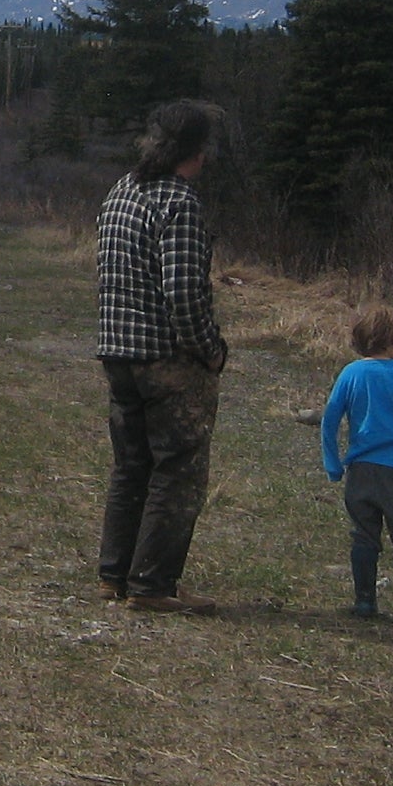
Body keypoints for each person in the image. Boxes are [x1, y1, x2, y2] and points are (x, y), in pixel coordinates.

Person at [93, 99, 229, 616]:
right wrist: (210, 350)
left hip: (117, 351)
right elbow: (184, 293)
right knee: (178, 470)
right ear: (195, 150)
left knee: (131, 467)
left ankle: (114, 577)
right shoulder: (180, 201)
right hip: (166, 358)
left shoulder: (121, 189)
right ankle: (152, 584)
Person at [320, 304, 393, 627]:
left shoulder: (351, 373)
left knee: (364, 536)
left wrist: (333, 462)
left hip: (360, 470)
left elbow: (330, 419)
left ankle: (365, 602)